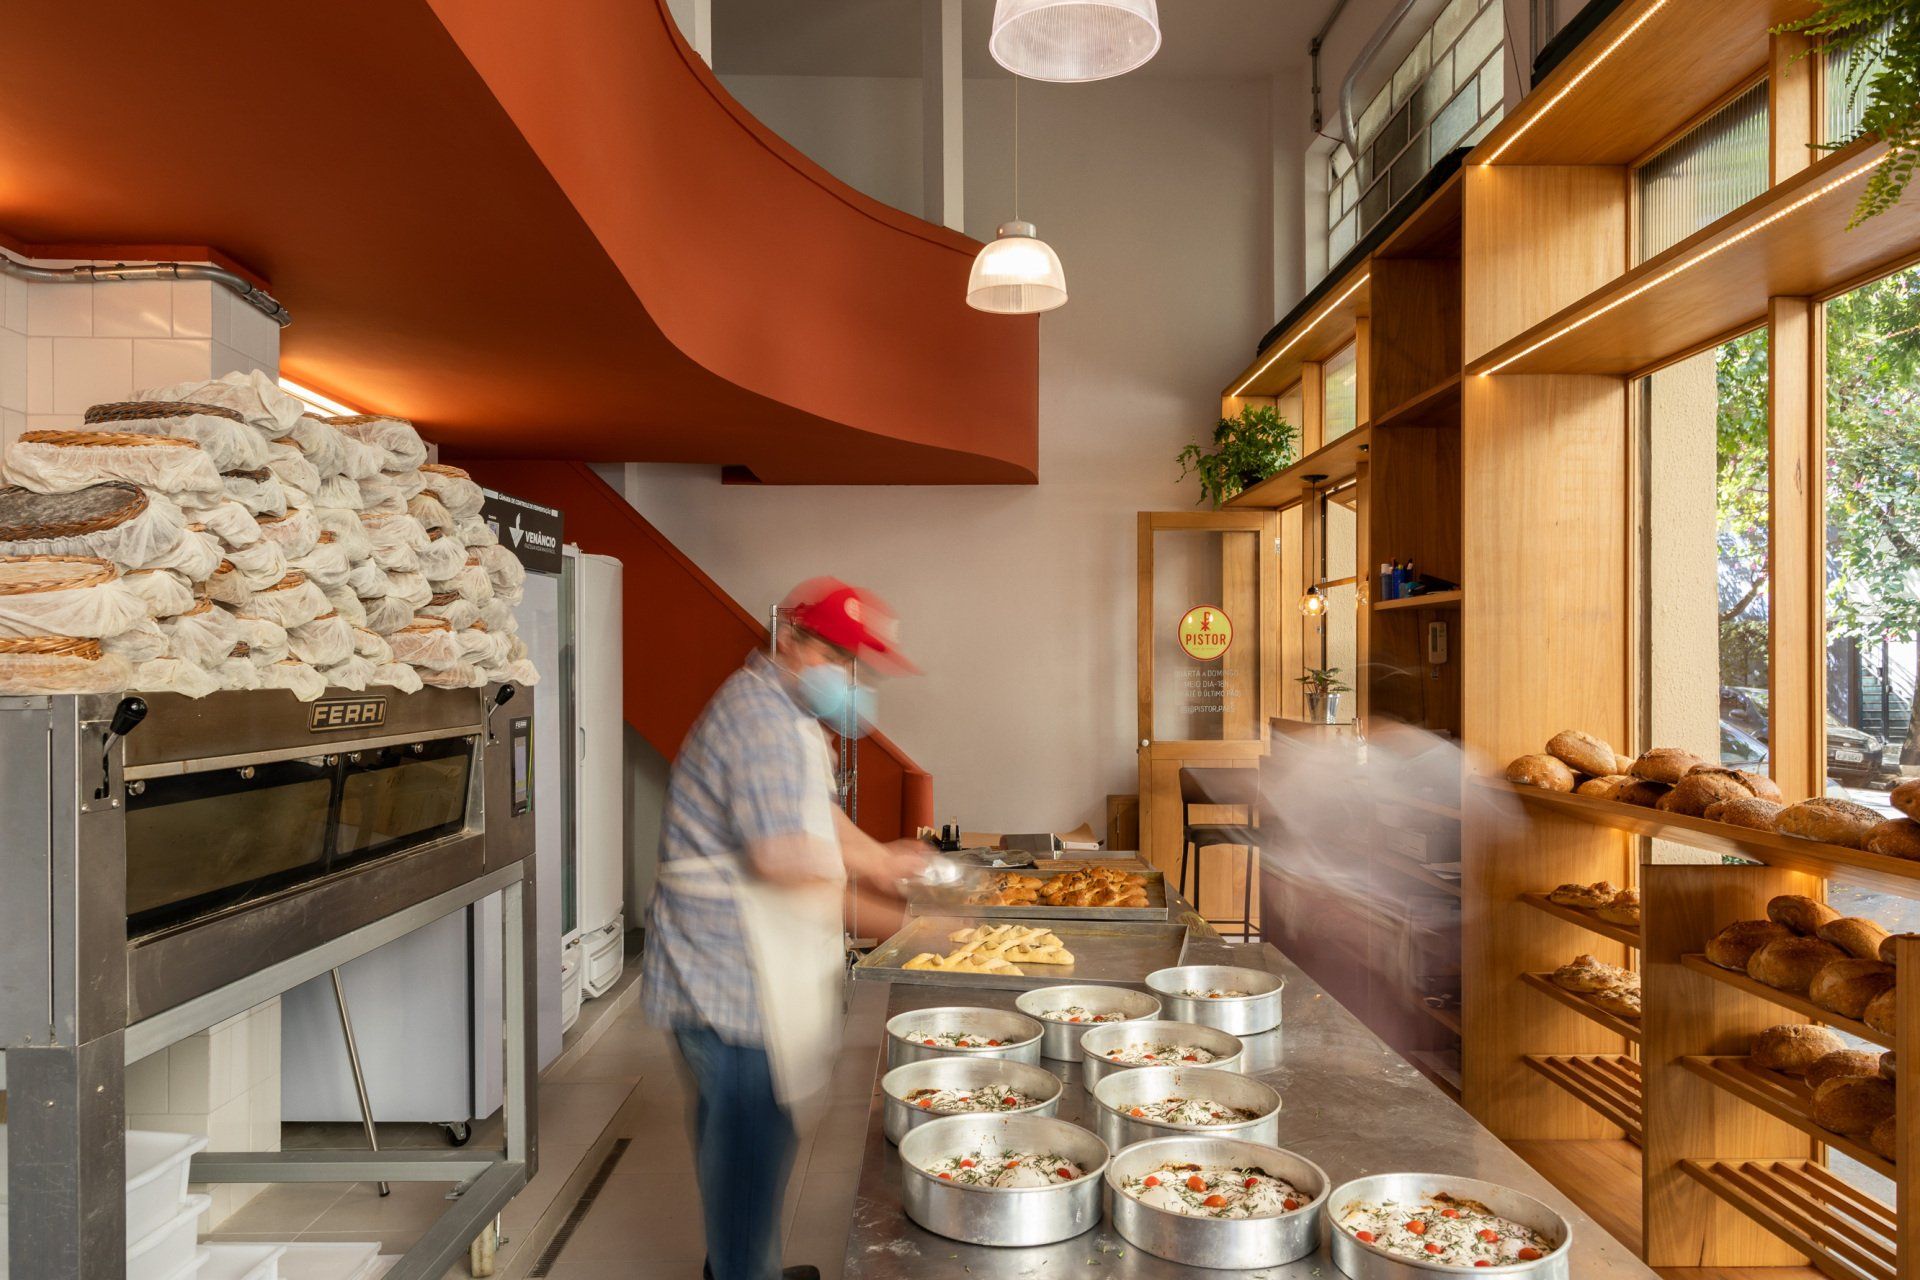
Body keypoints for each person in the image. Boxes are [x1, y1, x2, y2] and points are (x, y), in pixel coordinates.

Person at [640, 577, 927, 1280]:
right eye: (837, 657)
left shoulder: (785, 710)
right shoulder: (761, 721)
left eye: (856, 664)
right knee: (745, 1158)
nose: (847, 678)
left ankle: (745, 1265)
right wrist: (900, 927)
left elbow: (817, 820)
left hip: (737, 977)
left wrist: (881, 860)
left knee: (742, 1153)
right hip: (731, 984)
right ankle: (743, 1271)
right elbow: (785, 861)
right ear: (791, 641)